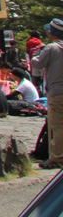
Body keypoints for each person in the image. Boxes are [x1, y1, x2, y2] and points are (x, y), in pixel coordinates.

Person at [32, 17, 63, 169]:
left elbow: (37, 63)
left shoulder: (51, 47)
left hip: (57, 92)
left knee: (57, 126)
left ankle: (57, 158)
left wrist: (37, 52)